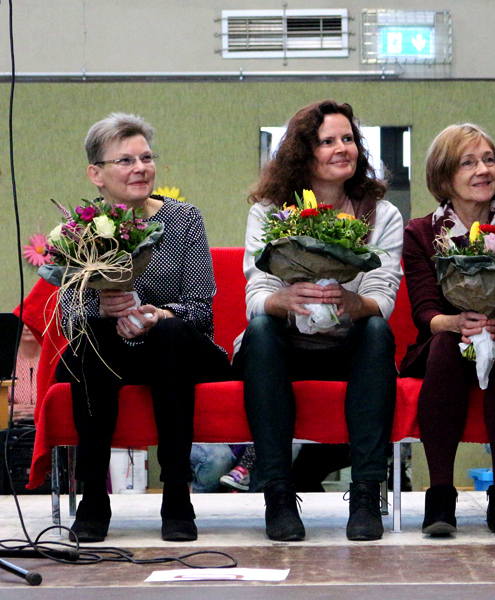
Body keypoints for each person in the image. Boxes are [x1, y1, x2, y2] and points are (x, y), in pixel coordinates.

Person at [232, 100, 403, 542]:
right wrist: (284, 299)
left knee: (377, 331)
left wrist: (353, 303)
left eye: (348, 139)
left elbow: (383, 297)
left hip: (346, 349)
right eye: (328, 141)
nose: (342, 148)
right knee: (260, 329)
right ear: (303, 153)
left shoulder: (381, 214)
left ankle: (366, 495)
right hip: (284, 348)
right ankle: (278, 494)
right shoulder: (269, 211)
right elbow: (256, 296)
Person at [57, 113, 232, 543]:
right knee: (91, 339)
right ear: (96, 174)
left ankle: (177, 495)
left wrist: (158, 315)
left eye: (146, 158)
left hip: (178, 350)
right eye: (126, 160)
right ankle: (93, 497)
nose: (140, 168)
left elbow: (201, 311)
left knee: (168, 334)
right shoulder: (80, 231)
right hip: (112, 353)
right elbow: (69, 318)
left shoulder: (183, 219)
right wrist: (103, 308)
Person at [400, 124, 495, 539]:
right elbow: (424, 310)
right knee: (445, 344)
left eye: (488, 160)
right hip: (445, 340)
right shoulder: (420, 233)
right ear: (444, 176)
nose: (484, 170)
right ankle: (440, 495)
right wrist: (457, 323)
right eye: (469, 163)